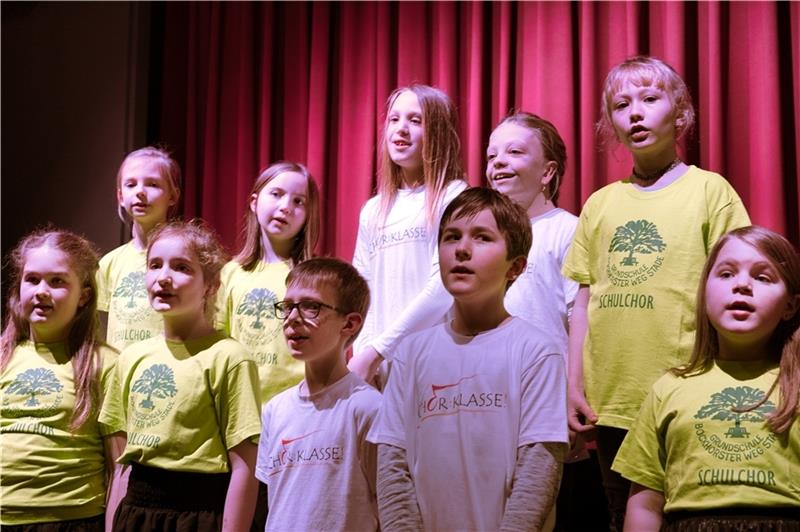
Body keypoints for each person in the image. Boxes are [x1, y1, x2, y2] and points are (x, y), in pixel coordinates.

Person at [562, 55, 751, 530]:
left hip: (685, 389)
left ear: (680, 113)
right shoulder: (600, 204)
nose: (636, 113)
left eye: (650, 99)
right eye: (622, 105)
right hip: (614, 401)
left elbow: (736, 286)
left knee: (685, 514)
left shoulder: (712, 192)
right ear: (612, 125)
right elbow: (583, 302)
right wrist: (573, 384)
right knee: (618, 513)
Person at [370, 187, 569, 530]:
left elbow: (538, 472)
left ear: (515, 267)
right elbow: (392, 468)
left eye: (482, 238)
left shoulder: (537, 352)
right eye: (451, 237)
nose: (462, 249)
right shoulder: (410, 354)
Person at [613, 226, 800, 531]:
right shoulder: (670, 388)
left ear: (790, 306)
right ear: (704, 292)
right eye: (726, 274)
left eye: (762, 277)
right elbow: (645, 502)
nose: (742, 285)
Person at [101, 221, 261, 531]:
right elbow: (122, 468)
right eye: (154, 265)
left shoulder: (229, 357)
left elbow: (245, 467)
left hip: (198, 516)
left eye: (182, 267)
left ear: (210, 285)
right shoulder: (132, 358)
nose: (163, 278)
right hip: (137, 513)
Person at [349, 84, 467, 387]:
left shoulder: (453, 197)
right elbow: (362, 290)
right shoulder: (373, 210)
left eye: (415, 120)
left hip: (435, 366)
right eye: (394, 119)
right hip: (379, 371)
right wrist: (364, 351)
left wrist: (379, 350)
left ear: (438, 132)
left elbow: (443, 287)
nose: (401, 129)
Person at [1, 229, 117, 530]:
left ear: (84, 295)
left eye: (57, 281)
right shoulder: (3, 358)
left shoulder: (103, 363)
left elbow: (119, 467)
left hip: (73, 521)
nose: (41, 291)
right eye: (32, 279)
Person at [256, 258, 380, 531]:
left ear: (349, 324)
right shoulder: (275, 410)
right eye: (288, 306)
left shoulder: (369, 408)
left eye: (311, 307)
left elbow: (388, 506)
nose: (292, 318)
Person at [216, 161, 320, 403]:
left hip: (298, 405)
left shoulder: (314, 277)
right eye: (276, 194)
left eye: (298, 201)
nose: (285, 207)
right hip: (241, 406)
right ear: (254, 202)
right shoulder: (230, 273)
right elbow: (219, 343)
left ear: (308, 215)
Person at [97, 147, 181, 351]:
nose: (140, 192)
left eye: (153, 184)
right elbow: (98, 326)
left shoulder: (184, 260)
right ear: (120, 196)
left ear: (172, 196)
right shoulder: (110, 263)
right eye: (131, 184)